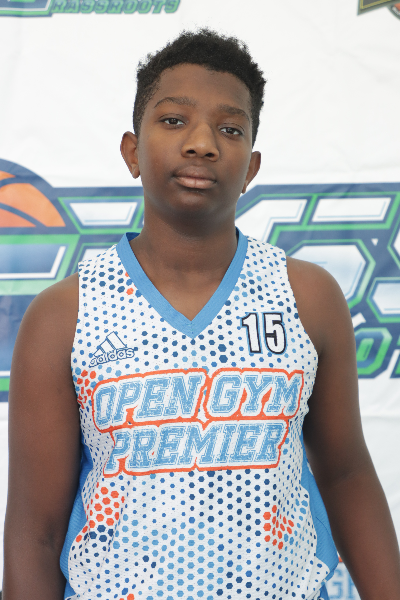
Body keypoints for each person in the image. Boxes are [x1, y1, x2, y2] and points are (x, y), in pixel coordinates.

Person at [3, 29, 400, 600]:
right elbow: (34, 534)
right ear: (132, 151)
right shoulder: (65, 314)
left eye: (229, 129)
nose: (201, 143)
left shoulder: (306, 297)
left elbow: (346, 475)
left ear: (252, 166)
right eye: (173, 121)